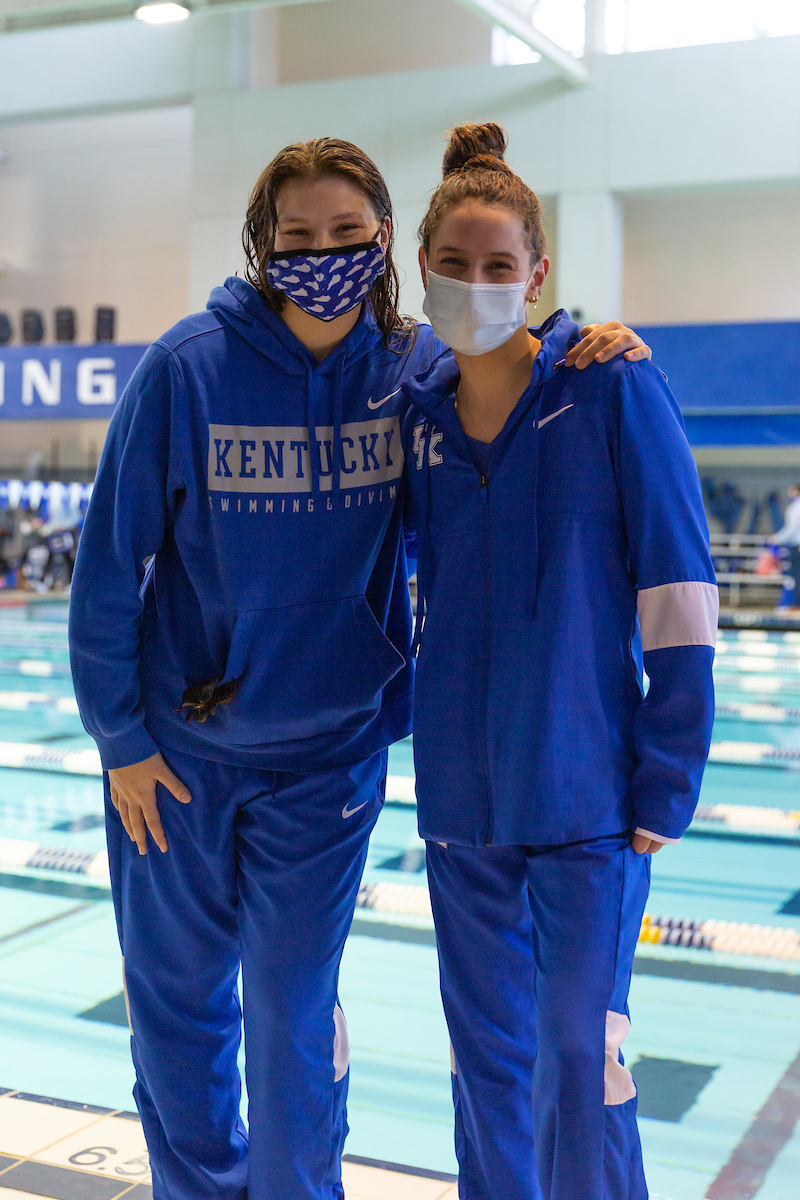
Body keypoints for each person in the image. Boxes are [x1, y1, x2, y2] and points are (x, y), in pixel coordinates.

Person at [68, 135, 650, 1200]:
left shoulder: (408, 371)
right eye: (298, 236)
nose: (322, 253)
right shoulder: (186, 367)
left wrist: (583, 338)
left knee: (291, 1013)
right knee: (178, 1010)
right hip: (180, 762)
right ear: (263, 243)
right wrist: (122, 742)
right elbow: (108, 568)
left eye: (346, 234)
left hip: (328, 759)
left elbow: (508, 376)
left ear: (385, 242)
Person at [401, 123, 718, 1200]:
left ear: (537, 276)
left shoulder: (609, 390)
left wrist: (667, 773)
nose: (479, 285)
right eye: (457, 265)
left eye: (501, 268)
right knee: (484, 1070)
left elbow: (677, 589)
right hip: (458, 802)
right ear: (422, 268)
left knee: (580, 1066)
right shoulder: (412, 421)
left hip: (585, 798)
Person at [773, 483, 800, 610]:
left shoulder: (795, 508)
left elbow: (791, 530)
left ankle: (797, 605)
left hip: (797, 547)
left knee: (796, 577)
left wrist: (776, 538)